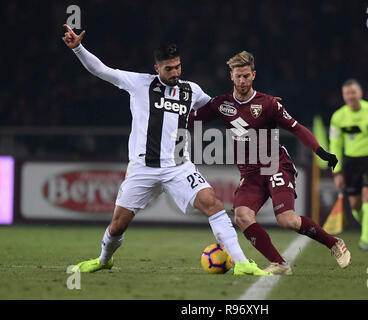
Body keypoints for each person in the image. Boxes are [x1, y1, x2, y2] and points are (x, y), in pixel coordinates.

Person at [61, 25, 271, 276]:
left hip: (179, 167)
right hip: (142, 168)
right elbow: (101, 70)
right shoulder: (139, 84)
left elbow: (221, 109)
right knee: (117, 226)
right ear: (157, 68)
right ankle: (104, 259)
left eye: (178, 67)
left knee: (212, 203)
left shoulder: (191, 90)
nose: (175, 72)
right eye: (169, 68)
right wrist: (79, 49)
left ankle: (241, 262)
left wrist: (254, 112)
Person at [188, 51, 351, 275]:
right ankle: (280, 264)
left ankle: (334, 243)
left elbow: (297, 128)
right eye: (238, 76)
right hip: (250, 174)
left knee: (287, 220)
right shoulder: (221, 104)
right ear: (231, 77)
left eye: (246, 75)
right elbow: (191, 120)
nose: (242, 81)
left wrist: (321, 152)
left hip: (275, 165)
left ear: (254, 75)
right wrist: (167, 116)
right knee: (242, 216)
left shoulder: (269, 104)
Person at [329, 79, 368, 251]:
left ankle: (365, 238)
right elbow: (335, 144)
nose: (351, 96)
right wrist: (337, 171)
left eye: (353, 92)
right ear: (343, 96)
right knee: (354, 205)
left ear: (360, 93)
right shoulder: (338, 117)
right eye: (347, 93)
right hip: (351, 162)